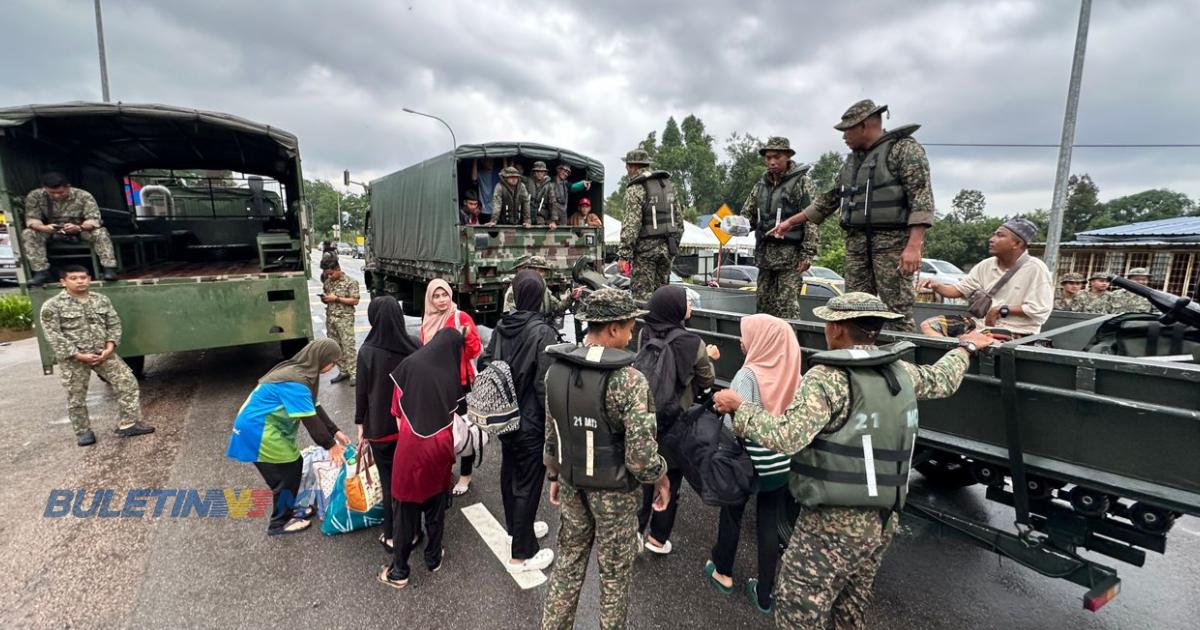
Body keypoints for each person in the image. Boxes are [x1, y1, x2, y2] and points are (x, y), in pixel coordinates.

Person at [713, 292, 995, 628]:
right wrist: (966, 348)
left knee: (797, 609)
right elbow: (942, 380)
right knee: (849, 611)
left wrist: (739, 408)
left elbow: (787, 436)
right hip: (883, 518)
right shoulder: (898, 370)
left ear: (837, 329)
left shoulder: (827, 378)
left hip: (831, 522)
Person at [541, 288, 671, 630]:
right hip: (614, 496)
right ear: (612, 328)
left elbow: (552, 433)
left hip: (572, 485)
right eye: (629, 328)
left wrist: (554, 476)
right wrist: (661, 476)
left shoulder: (556, 370)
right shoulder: (629, 381)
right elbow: (641, 460)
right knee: (614, 578)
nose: (632, 336)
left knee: (567, 565)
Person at [770, 100, 936, 331]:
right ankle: (858, 360)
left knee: (896, 311)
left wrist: (914, 246)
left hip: (892, 243)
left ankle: (900, 364)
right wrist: (791, 221)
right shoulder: (853, 162)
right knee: (854, 310)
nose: (843, 136)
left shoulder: (903, 149)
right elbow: (831, 198)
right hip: (856, 244)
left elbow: (921, 195)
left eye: (847, 130)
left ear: (865, 125)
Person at [708, 313, 802, 614]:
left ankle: (723, 573)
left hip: (745, 460)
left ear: (763, 341)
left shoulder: (748, 375)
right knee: (769, 522)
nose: (741, 341)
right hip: (779, 462)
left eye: (747, 336)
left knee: (732, 513)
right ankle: (764, 593)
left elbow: (733, 426)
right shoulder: (795, 373)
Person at [479, 270, 562, 572]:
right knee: (527, 483)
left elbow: (485, 363)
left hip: (504, 414)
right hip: (531, 420)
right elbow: (545, 386)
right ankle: (522, 554)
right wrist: (555, 428)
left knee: (509, 473)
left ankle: (518, 529)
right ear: (540, 295)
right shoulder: (543, 332)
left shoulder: (503, 326)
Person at [227, 339, 350, 535]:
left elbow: (314, 407)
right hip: (257, 430)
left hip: (263, 427)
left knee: (291, 468)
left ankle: (288, 510)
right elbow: (310, 421)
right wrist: (331, 445)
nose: (333, 367)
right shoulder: (296, 382)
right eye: (332, 362)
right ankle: (278, 523)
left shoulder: (302, 373)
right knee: (285, 476)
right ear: (321, 358)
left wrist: (335, 431)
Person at [379, 328, 465, 588]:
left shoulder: (410, 366)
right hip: (441, 445)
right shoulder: (450, 371)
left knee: (405, 511)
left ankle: (400, 572)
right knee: (436, 506)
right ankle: (433, 558)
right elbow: (454, 411)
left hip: (412, 446)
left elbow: (396, 412)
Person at [635, 285, 718, 555]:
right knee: (670, 476)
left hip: (646, 416)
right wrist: (711, 358)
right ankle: (658, 539)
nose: (690, 307)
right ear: (676, 308)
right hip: (675, 421)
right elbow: (707, 380)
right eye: (687, 303)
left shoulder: (644, 332)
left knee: (644, 473)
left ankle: (635, 531)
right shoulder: (693, 343)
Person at [39, 265, 155, 446]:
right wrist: (77, 355)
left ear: (89, 279)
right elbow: (53, 335)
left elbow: (113, 323)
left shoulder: (101, 300)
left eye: (83, 277)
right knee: (76, 397)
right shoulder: (52, 306)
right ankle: (83, 432)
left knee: (127, 382)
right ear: (63, 282)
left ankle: (128, 423)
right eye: (74, 278)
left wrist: (110, 347)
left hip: (103, 353)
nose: (80, 281)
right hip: (74, 359)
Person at [355, 296, 422, 553]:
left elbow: (362, 394)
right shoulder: (414, 345)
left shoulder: (367, 352)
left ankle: (393, 535)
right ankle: (414, 531)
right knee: (410, 482)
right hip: (411, 428)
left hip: (381, 430)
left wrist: (360, 424)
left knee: (389, 482)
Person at [920, 218, 1053, 338]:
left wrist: (1000, 309)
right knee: (930, 325)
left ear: (1017, 244)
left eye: (1000, 235)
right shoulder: (986, 265)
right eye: (994, 234)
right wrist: (936, 286)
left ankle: (963, 353)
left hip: (1016, 331)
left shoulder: (1036, 268)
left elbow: (1040, 309)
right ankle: (953, 360)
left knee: (976, 341)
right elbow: (959, 290)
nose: (991, 239)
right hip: (981, 326)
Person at [739, 137, 819, 319]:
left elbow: (812, 218)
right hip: (764, 258)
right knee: (762, 309)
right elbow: (748, 216)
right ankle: (764, 346)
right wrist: (736, 226)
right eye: (768, 158)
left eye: (777, 157)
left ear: (788, 157)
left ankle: (790, 346)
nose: (772, 162)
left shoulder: (801, 183)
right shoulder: (761, 185)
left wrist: (808, 253)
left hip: (790, 259)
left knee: (787, 309)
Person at [420, 279, 483, 495]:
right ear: (429, 298)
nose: (441, 300)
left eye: (444, 295)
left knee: (465, 430)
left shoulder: (460, 317)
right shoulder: (427, 321)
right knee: (442, 432)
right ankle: (446, 471)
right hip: (437, 386)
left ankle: (465, 476)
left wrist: (465, 338)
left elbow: (476, 351)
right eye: (436, 296)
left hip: (461, 385)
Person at [22, 172, 119, 284]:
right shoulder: (35, 196)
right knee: (28, 233)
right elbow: (32, 218)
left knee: (101, 232)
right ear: (45, 188)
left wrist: (79, 227)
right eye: (52, 193)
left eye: (60, 192)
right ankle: (41, 272)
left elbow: (93, 219)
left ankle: (109, 269)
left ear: (68, 187)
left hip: (80, 229)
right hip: (51, 230)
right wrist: (44, 227)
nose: (56, 196)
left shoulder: (83, 196)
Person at [617, 148, 682, 301]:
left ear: (633, 166)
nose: (627, 171)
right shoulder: (668, 186)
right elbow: (679, 222)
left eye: (627, 167)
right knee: (662, 297)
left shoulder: (636, 188)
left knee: (642, 299)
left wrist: (624, 255)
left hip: (645, 253)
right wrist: (672, 247)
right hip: (667, 250)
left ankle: (644, 326)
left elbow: (631, 225)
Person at [320, 258, 360, 385]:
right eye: (327, 274)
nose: (330, 276)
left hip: (344, 319)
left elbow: (355, 300)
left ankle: (354, 373)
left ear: (338, 269)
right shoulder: (328, 282)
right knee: (335, 347)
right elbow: (328, 297)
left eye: (331, 273)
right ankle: (343, 371)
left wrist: (336, 298)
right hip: (331, 319)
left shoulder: (351, 282)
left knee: (348, 346)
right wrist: (325, 299)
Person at [501, 255, 582, 316]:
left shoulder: (543, 289)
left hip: (542, 328)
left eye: (541, 270)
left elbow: (558, 308)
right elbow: (510, 318)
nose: (538, 273)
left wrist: (571, 297)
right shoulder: (515, 289)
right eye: (534, 269)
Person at [529, 161, 560, 228]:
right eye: (537, 171)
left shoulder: (549, 186)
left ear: (545, 173)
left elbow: (552, 202)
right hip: (528, 215)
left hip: (541, 216)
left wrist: (553, 220)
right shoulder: (528, 182)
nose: (539, 173)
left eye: (542, 172)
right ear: (534, 173)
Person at [472, 158, 501, 223]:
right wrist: (475, 160)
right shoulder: (480, 173)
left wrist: (505, 159)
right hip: (484, 209)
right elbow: (474, 178)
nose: (491, 163)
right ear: (482, 162)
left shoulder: (497, 173)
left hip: (496, 209)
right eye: (488, 161)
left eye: (492, 161)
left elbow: (507, 175)